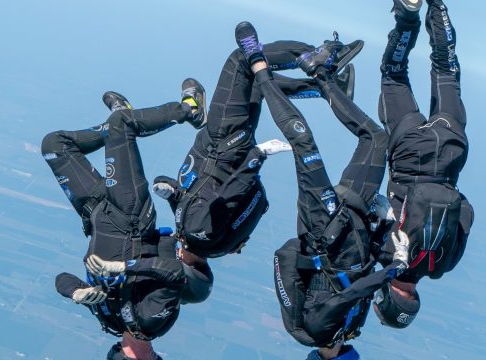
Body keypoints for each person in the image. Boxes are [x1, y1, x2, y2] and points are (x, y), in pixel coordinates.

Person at [234, 21, 410, 360]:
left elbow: (342, 289)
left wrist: (392, 270)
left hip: (325, 226)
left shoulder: (315, 332)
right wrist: (381, 231)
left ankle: (257, 64)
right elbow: (358, 276)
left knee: (303, 143)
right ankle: (323, 77)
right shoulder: (351, 328)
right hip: (354, 217)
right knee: (376, 139)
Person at [151, 35, 364, 259]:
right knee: (241, 60)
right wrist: (257, 156)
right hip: (222, 144)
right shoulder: (196, 233)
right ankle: (318, 57)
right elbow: (232, 193)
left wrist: (170, 192)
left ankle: (328, 89)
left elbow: (196, 203)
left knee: (254, 79)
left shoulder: (207, 241)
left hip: (232, 149)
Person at [41, 84, 215, 360]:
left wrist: (76, 292)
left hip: (94, 212)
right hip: (129, 217)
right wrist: (125, 266)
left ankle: (118, 122)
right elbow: (173, 274)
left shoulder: (111, 321)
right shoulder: (152, 322)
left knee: (55, 146)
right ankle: (190, 110)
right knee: (122, 126)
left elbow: (61, 279)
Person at [371, 0, 475, 329]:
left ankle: (438, 7)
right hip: (408, 154)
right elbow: (372, 206)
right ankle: (407, 15)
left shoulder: (444, 265)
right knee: (394, 77)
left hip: (451, 152)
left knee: (446, 70)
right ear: (384, 296)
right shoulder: (386, 256)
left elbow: (467, 212)